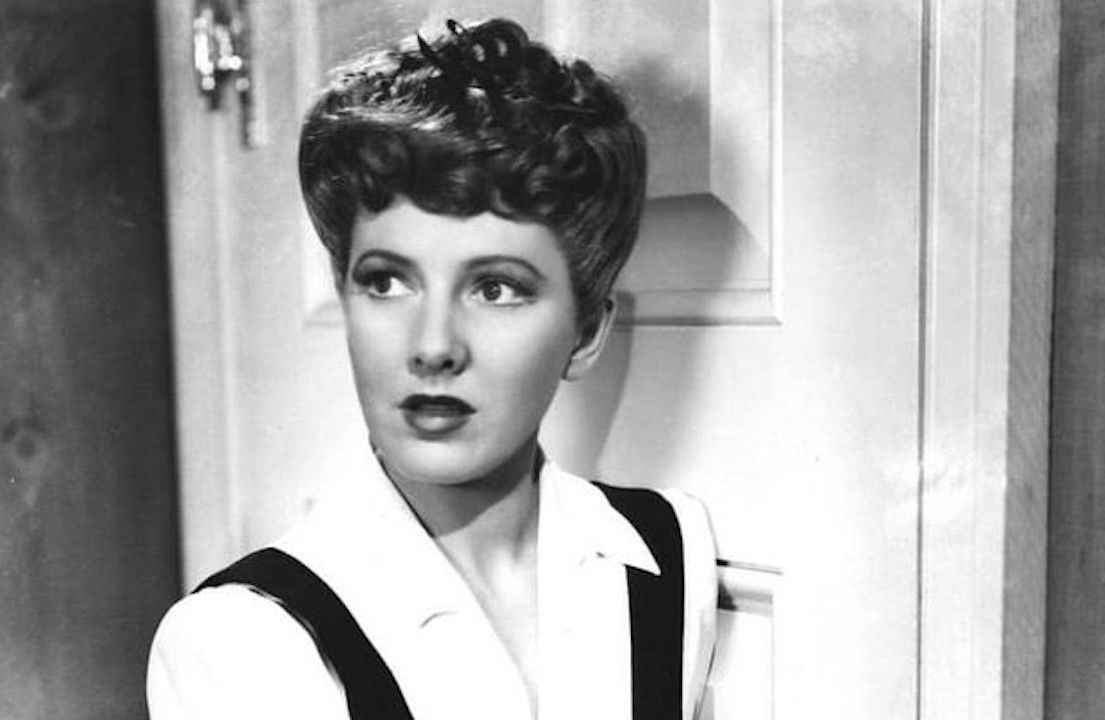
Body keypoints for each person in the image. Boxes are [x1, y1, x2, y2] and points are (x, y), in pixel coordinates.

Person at [146, 17, 717, 720]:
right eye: (387, 282)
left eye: (495, 288)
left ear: (587, 332)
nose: (433, 345)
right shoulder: (243, 640)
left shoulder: (664, 552)